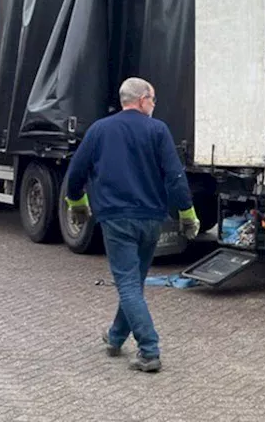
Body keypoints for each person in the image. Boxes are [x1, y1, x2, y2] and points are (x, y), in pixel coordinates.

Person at [64, 77, 199, 373]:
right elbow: (175, 175)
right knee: (133, 283)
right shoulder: (157, 130)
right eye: (153, 100)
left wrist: (77, 204)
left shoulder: (99, 130)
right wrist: (187, 213)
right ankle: (115, 337)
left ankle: (149, 350)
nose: (154, 105)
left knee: (128, 284)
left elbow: (75, 173)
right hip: (151, 219)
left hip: (115, 218)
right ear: (141, 100)